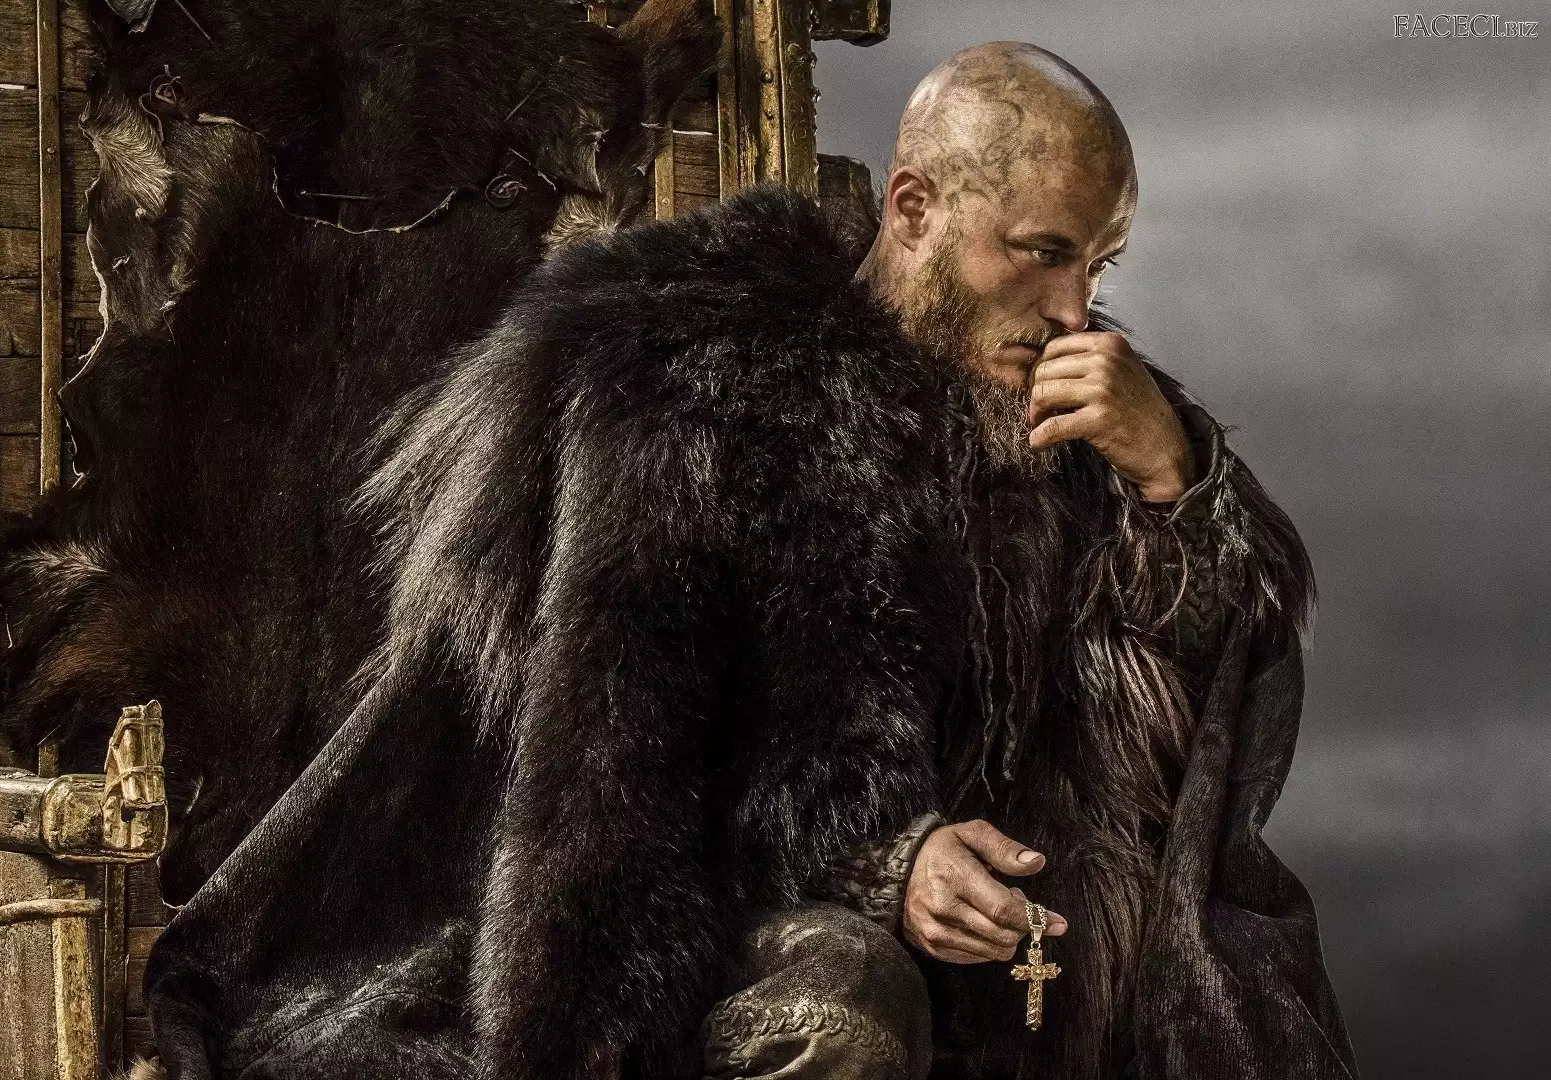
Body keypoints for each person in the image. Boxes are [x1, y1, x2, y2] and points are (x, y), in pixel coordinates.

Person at [143, 41, 1353, 1080]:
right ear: (915, 210)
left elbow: (1179, 737)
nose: (1074, 311)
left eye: (1099, 263)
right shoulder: (691, 387)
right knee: (842, 1000)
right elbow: (618, 781)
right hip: (706, 926)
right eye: (1040, 251)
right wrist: (885, 861)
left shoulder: (1084, 420)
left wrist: (1175, 481)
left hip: (1007, 972)